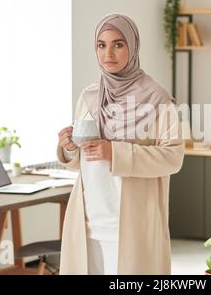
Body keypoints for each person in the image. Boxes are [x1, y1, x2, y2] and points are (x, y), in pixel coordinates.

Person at [56, 14, 185, 275]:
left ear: (133, 47)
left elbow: (173, 157)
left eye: (118, 44)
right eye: (101, 45)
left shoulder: (157, 98)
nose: (108, 53)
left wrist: (114, 152)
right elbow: (82, 158)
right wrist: (68, 146)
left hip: (131, 221)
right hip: (89, 218)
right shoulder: (90, 95)